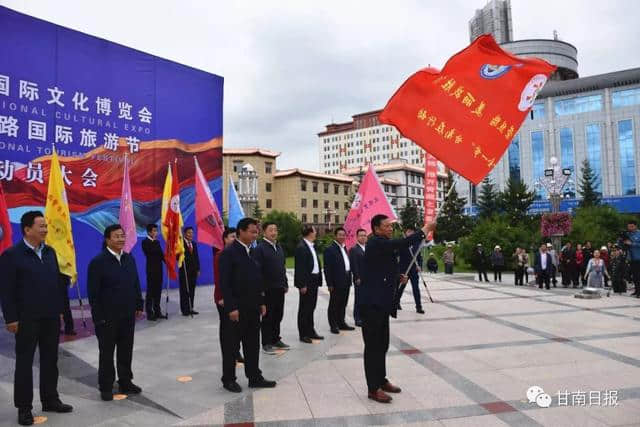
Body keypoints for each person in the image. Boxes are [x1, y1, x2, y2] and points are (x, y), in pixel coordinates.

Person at [0, 211, 73, 425]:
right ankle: (24, 408)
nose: (45, 230)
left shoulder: (50, 252)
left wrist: (60, 310)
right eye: (41, 226)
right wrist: (11, 318)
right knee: (24, 363)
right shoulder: (12, 255)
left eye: (46, 226)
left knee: (51, 360)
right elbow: (6, 291)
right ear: (27, 229)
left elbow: (56, 285)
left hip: (50, 317)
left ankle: (51, 399)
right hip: (26, 319)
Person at [359, 215, 434, 403]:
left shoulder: (382, 243)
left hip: (382, 304)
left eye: (390, 226)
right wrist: (424, 231)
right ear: (376, 229)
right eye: (386, 226)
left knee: (382, 345)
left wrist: (397, 276)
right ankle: (372, 388)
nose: (390, 229)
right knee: (373, 347)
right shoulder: (375, 242)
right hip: (372, 305)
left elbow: (381, 268)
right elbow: (402, 243)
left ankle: (381, 379)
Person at [218, 217, 276, 392]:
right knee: (231, 346)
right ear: (241, 232)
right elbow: (225, 283)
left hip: (252, 308)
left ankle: (254, 376)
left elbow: (258, 280)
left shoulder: (252, 251)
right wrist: (231, 307)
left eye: (256, 231)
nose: (255, 234)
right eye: (252, 231)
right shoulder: (229, 253)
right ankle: (228, 379)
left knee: (252, 344)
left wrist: (262, 301)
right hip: (236, 309)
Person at [87, 224, 144, 402]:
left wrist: (138, 304)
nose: (121, 239)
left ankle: (126, 381)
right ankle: (105, 386)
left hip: (127, 315)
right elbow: (93, 294)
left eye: (122, 235)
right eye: (116, 236)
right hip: (107, 317)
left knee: (126, 351)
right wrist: (98, 318)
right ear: (107, 239)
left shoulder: (129, 259)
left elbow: (135, 282)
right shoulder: (98, 262)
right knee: (106, 353)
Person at [252, 221, 290, 354]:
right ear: (264, 232)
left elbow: (282, 267)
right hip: (267, 290)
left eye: (275, 230)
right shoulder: (259, 249)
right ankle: (266, 342)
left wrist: (285, 283)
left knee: (278, 315)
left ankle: (275, 339)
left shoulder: (278, 247)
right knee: (268, 316)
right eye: (270, 230)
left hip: (279, 288)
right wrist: (260, 290)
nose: (274, 232)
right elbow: (257, 272)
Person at [213, 228, 244, 365]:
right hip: (223, 299)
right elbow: (219, 279)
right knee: (227, 330)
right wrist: (221, 297)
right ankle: (229, 355)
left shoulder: (238, 255)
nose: (234, 239)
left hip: (237, 298)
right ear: (225, 239)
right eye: (232, 237)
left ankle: (236, 352)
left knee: (236, 328)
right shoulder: (221, 255)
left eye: (236, 237)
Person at [294, 225, 324, 343]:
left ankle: (311, 331)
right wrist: (302, 285)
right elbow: (300, 268)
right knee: (304, 309)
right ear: (310, 233)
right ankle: (303, 334)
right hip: (307, 282)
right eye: (315, 231)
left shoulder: (311, 246)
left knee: (311, 308)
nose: (316, 233)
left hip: (314, 281)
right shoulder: (302, 247)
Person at [324, 227, 355, 334]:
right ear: (335, 236)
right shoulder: (330, 249)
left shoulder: (345, 248)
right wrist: (330, 284)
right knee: (334, 304)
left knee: (343, 303)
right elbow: (327, 268)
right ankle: (333, 325)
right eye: (340, 235)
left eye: (343, 235)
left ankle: (341, 322)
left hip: (346, 279)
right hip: (336, 282)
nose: (342, 237)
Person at [141, 224, 166, 321]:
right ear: (149, 232)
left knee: (158, 291)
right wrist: (155, 242)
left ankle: (157, 311)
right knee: (150, 292)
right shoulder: (145, 242)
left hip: (159, 269)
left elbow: (161, 255)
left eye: (156, 230)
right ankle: (149, 313)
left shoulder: (157, 242)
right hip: (151, 270)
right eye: (154, 231)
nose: (156, 232)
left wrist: (168, 262)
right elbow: (151, 252)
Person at [397, 226, 424, 314]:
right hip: (404, 269)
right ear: (405, 233)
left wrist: (419, 265)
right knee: (401, 287)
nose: (410, 233)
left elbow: (419, 257)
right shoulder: (402, 242)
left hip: (414, 269)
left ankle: (418, 306)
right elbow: (397, 254)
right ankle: (396, 302)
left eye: (412, 232)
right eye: (408, 232)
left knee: (416, 288)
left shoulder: (417, 243)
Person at [179, 226, 200, 316]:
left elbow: (196, 257)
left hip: (193, 272)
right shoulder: (180, 244)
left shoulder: (194, 244)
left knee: (192, 290)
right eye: (189, 233)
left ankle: (191, 307)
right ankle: (185, 309)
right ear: (184, 234)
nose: (191, 234)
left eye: (192, 233)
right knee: (184, 291)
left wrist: (198, 269)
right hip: (184, 271)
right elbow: (177, 257)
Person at [349, 229, 367, 327]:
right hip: (359, 279)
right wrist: (357, 277)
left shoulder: (368, 248)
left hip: (369, 279)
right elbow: (354, 265)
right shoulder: (354, 249)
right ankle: (358, 318)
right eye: (361, 235)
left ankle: (365, 316)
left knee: (366, 299)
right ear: (357, 237)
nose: (363, 237)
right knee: (359, 299)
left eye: (365, 235)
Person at [621, 219, 640, 297]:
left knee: (639, 276)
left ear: (635, 226)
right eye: (629, 227)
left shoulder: (639, 234)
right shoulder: (628, 234)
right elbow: (624, 243)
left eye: (631, 227)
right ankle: (636, 290)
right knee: (634, 276)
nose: (630, 228)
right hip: (631, 258)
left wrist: (632, 243)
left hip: (638, 257)